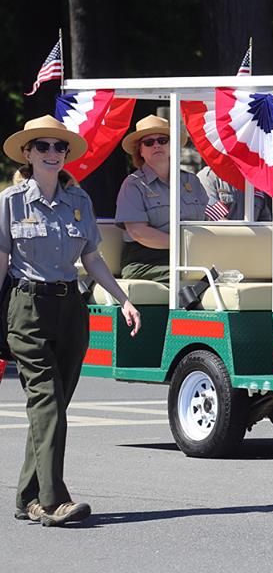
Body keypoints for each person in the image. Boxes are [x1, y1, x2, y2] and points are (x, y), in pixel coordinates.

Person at [0, 116, 141, 527]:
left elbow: (91, 258)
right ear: (27, 153)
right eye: (42, 146)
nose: (52, 153)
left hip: (71, 309)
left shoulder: (79, 201)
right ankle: (52, 501)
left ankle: (27, 496)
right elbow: (2, 261)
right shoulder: (10, 201)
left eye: (59, 147)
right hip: (27, 307)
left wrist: (123, 299)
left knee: (54, 406)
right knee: (47, 401)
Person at [115, 115, 210, 282]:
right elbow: (138, 232)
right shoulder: (133, 185)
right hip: (146, 261)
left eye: (163, 140)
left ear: (172, 145)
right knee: (202, 276)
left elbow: (208, 220)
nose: (156, 145)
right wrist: (182, 244)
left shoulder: (191, 181)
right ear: (140, 151)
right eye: (148, 142)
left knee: (228, 271)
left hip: (192, 255)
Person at [197, 165, 271, 221]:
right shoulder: (208, 177)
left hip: (253, 236)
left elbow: (265, 222)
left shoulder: (254, 179)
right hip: (220, 236)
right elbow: (212, 217)